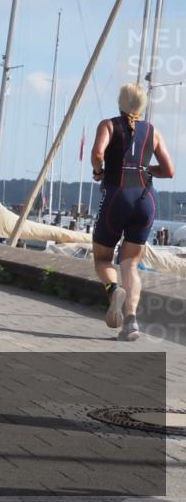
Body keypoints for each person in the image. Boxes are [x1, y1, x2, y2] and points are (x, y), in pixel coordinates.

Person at [90, 84, 175, 341]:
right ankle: (131, 321)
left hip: (117, 195)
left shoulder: (108, 125)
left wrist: (98, 171)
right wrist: (145, 168)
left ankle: (113, 289)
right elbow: (169, 171)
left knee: (103, 259)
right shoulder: (153, 131)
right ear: (142, 106)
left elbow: (97, 154)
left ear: (120, 103)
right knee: (131, 263)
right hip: (145, 198)